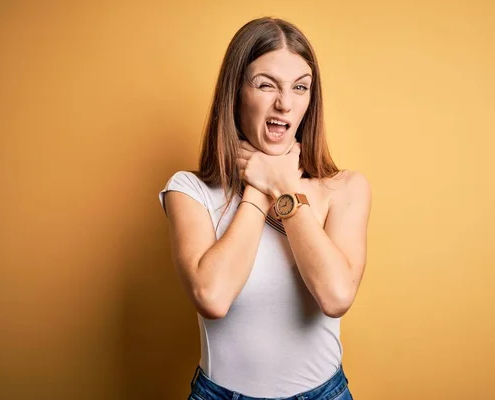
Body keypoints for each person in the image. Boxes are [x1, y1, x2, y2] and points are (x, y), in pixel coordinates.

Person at [159, 16, 372, 400]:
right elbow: (213, 296)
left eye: (300, 87)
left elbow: (336, 296)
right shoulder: (189, 190)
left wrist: (284, 185)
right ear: (235, 91)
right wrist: (259, 187)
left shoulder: (345, 188)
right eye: (265, 85)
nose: (284, 103)